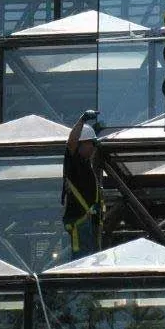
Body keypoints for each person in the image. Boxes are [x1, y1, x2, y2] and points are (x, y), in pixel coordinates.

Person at [62, 109, 102, 259]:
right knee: (81, 261)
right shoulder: (73, 161)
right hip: (79, 222)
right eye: (90, 143)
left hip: (87, 222)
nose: (93, 147)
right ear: (80, 144)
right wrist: (82, 120)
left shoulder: (86, 164)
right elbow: (71, 143)